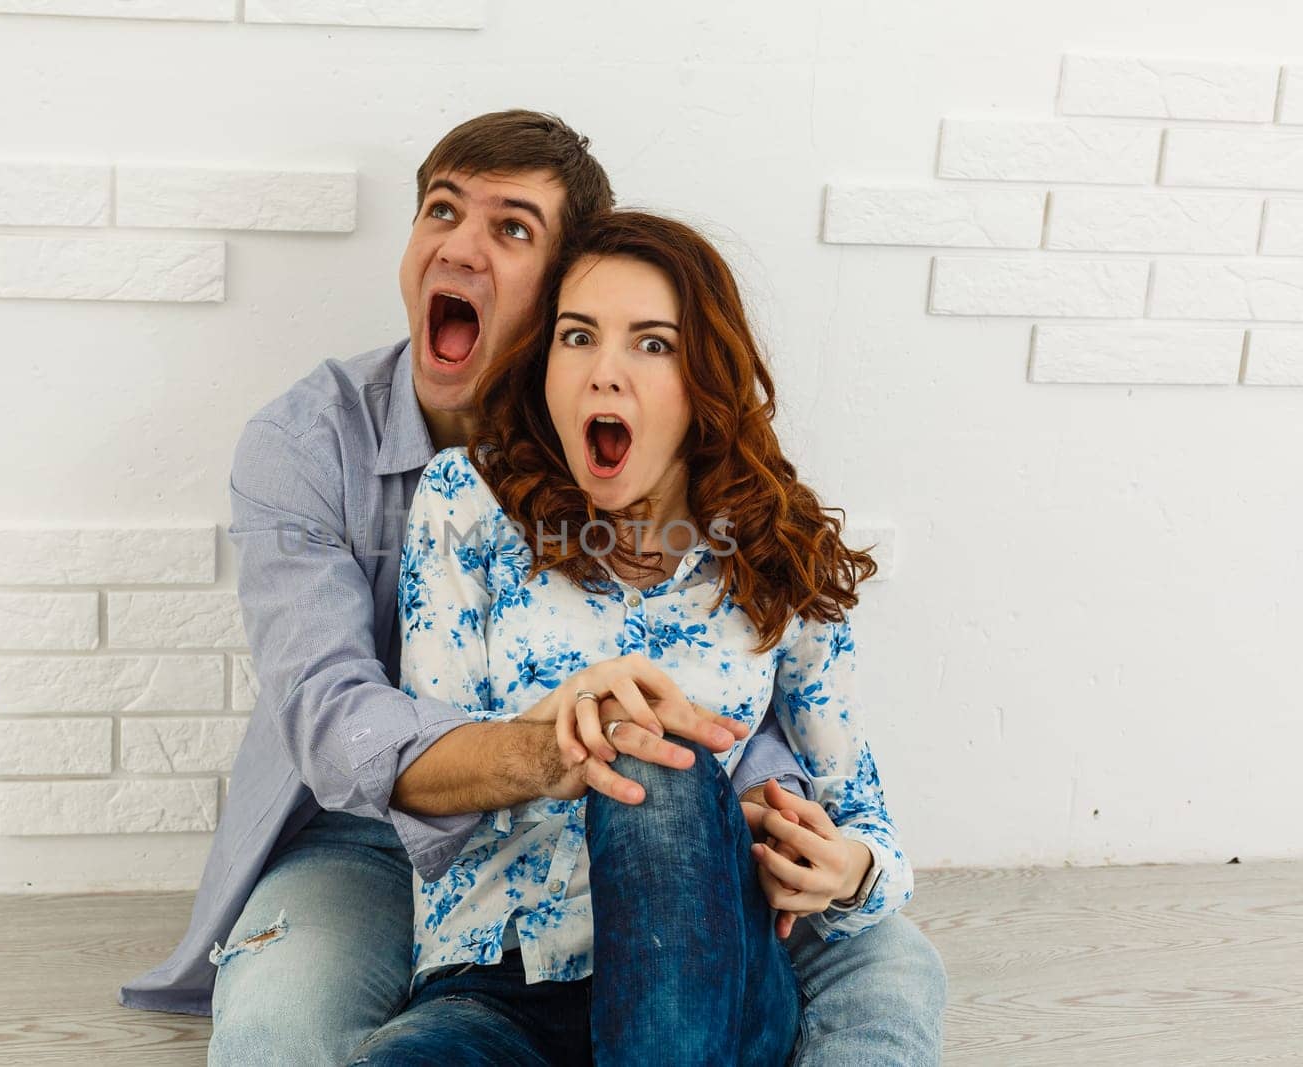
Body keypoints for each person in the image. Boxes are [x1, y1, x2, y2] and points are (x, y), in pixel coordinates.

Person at [117, 110, 948, 1066]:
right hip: (380, 853)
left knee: (867, 946)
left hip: (672, 908)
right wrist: (553, 743)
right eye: (440, 210)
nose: (459, 247)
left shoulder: (752, 537)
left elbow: (782, 733)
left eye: (510, 228)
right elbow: (330, 711)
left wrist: (802, 835)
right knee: (279, 1041)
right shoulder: (385, 473)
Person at [343, 210, 907, 1064]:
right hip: (495, 986)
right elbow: (431, 772)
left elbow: (866, 822)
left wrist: (846, 870)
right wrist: (553, 733)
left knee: (647, 743)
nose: (605, 373)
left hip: (711, 984)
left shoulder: (776, 555)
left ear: (703, 379)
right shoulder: (468, 505)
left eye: (652, 344)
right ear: (545, 364)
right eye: (578, 338)